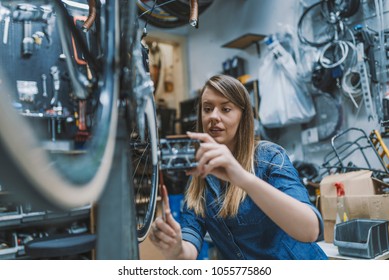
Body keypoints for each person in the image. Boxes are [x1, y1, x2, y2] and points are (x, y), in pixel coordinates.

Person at [149, 74, 327, 260]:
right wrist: (175, 247)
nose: (213, 117)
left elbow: (310, 230)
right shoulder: (199, 178)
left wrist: (241, 177)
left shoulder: (269, 157)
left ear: (243, 116)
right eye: (207, 109)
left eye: (226, 109)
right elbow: (188, 250)